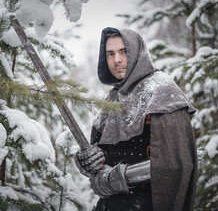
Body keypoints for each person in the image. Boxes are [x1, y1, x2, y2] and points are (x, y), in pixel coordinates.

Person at [74, 27, 197, 211]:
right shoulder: (112, 98)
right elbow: (105, 157)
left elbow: (174, 165)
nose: (117, 60)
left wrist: (123, 176)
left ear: (137, 52)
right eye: (110, 54)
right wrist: (88, 162)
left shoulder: (162, 91)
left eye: (124, 51)